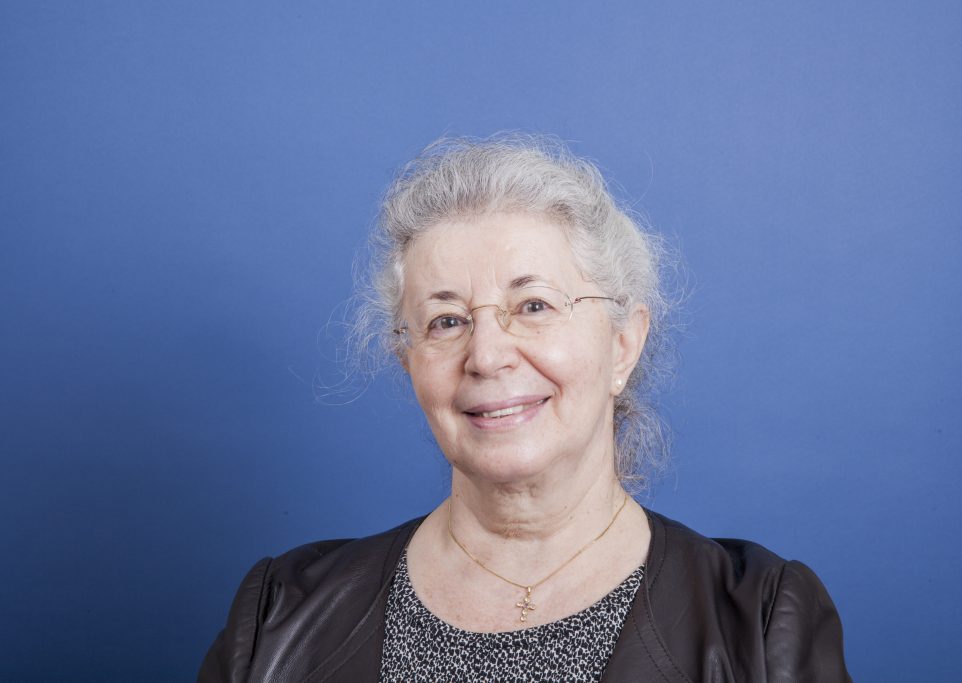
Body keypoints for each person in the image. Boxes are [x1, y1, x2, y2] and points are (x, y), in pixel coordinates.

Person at [198, 135, 851, 682]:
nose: (486, 355)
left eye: (533, 305)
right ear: (408, 362)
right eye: (446, 320)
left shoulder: (763, 624)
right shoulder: (279, 617)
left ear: (623, 343)